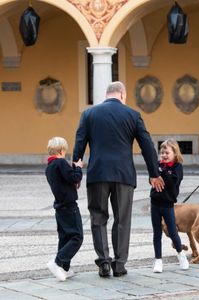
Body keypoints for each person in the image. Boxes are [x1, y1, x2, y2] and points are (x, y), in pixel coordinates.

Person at [73, 81, 165, 277]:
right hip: (123, 174)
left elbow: (79, 144)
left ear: (107, 95)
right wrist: (154, 174)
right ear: (123, 95)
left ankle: (104, 263)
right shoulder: (133, 115)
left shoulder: (89, 114)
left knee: (98, 218)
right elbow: (147, 146)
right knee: (122, 219)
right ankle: (120, 263)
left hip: (98, 173)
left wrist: (76, 174)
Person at [44, 137, 84, 281]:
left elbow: (64, 179)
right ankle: (57, 262)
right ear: (61, 150)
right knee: (77, 236)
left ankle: (64, 268)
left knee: (65, 238)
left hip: (60, 207)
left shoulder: (49, 167)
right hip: (69, 206)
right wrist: (78, 167)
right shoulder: (61, 162)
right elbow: (74, 178)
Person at [150, 139, 189, 273]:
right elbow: (153, 179)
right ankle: (158, 260)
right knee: (157, 234)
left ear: (175, 153)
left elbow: (172, 182)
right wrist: (155, 174)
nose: (164, 155)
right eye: (162, 153)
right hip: (155, 203)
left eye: (167, 152)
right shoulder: (158, 165)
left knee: (173, 232)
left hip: (168, 205)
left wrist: (162, 171)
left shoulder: (177, 167)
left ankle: (180, 254)